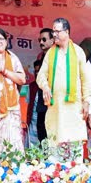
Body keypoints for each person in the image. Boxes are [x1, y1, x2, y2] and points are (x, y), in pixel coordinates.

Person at [36, 18, 91, 163]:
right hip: (56, 108)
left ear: (66, 32)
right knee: (56, 148)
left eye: (57, 31)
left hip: (74, 108)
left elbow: (86, 80)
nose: (54, 34)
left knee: (74, 147)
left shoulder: (78, 52)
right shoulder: (50, 53)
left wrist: (87, 102)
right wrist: (45, 86)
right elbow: (41, 75)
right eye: (53, 31)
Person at [26, 59, 43, 147]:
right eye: (35, 71)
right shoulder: (31, 86)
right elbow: (29, 104)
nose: (37, 74)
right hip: (33, 123)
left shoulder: (48, 87)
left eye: (39, 71)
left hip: (44, 124)